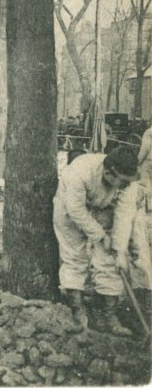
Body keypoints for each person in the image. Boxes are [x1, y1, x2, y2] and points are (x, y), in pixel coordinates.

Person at [52, 147, 150, 335]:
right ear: (108, 172)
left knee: (110, 260)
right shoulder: (78, 172)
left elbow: (124, 215)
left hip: (104, 208)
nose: (125, 186)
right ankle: (78, 313)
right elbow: (76, 211)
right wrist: (100, 235)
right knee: (74, 256)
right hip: (70, 210)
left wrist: (119, 250)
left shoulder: (128, 182)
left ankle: (107, 316)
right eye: (122, 182)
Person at [138, 126, 151, 211]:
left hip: (149, 161)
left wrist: (138, 162)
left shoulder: (149, 132)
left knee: (144, 183)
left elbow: (145, 148)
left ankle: (147, 207)